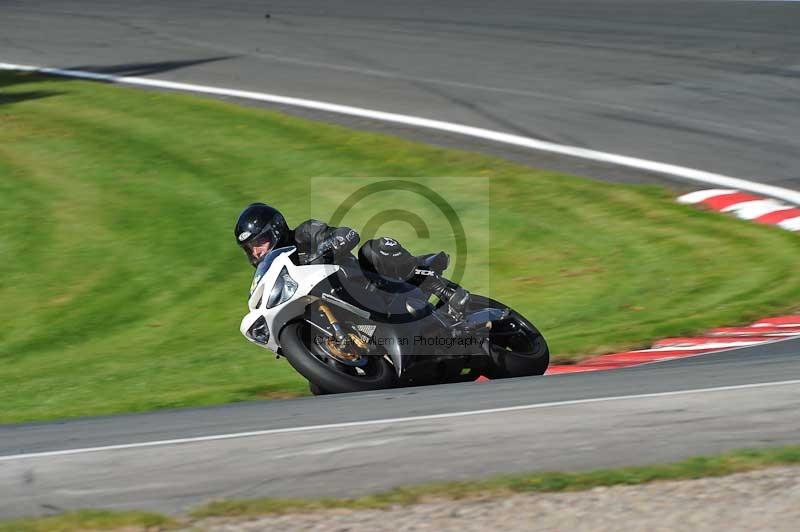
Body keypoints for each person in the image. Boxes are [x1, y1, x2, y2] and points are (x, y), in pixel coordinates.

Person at [234, 202, 470, 316]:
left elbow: (346, 233)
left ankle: (442, 288)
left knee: (372, 250)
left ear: (275, 229)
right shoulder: (273, 274)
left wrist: (331, 243)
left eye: (259, 242)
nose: (256, 252)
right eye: (249, 249)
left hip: (370, 287)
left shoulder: (304, 233)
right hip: (338, 312)